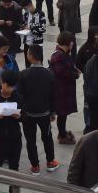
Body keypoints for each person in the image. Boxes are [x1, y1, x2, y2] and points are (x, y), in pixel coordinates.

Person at [18, 44, 59, 174]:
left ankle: (35, 166)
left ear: (30, 56)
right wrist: (53, 112)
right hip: (44, 114)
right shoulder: (49, 74)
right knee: (47, 137)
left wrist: (20, 111)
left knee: (30, 141)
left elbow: (20, 96)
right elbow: (53, 95)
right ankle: (50, 162)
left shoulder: (23, 74)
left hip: (28, 114)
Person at [49, 32, 79, 145]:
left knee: (63, 114)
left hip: (65, 89)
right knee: (62, 114)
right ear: (67, 43)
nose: (73, 44)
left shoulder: (64, 53)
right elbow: (61, 72)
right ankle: (62, 135)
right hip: (61, 90)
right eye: (71, 42)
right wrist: (75, 74)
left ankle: (63, 132)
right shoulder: (59, 56)